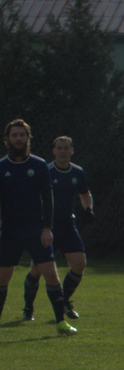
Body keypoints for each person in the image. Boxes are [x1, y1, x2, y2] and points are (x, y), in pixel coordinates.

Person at [0, 119, 74, 334]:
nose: (18, 139)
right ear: (7, 139)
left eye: (22, 135)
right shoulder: (2, 166)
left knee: (51, 273)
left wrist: (47, 228)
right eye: (14, 135)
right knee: (3, 277)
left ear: (28, 138)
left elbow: (48, 198)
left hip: (36, 230)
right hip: (10, 231)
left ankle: (61, 322)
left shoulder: (39, 165)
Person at [21, 136, 93, 322]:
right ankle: (28, 308)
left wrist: (88, 209)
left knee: (79, 263)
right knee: (37, 270)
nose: (62, 151)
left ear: (71, 150)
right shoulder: (46, 171)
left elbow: (85, 194)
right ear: (53, 151)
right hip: (46, 227)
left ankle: (64, 302)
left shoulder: (77, 172)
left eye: (66, 148)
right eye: (59, 148)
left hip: (68, 226)